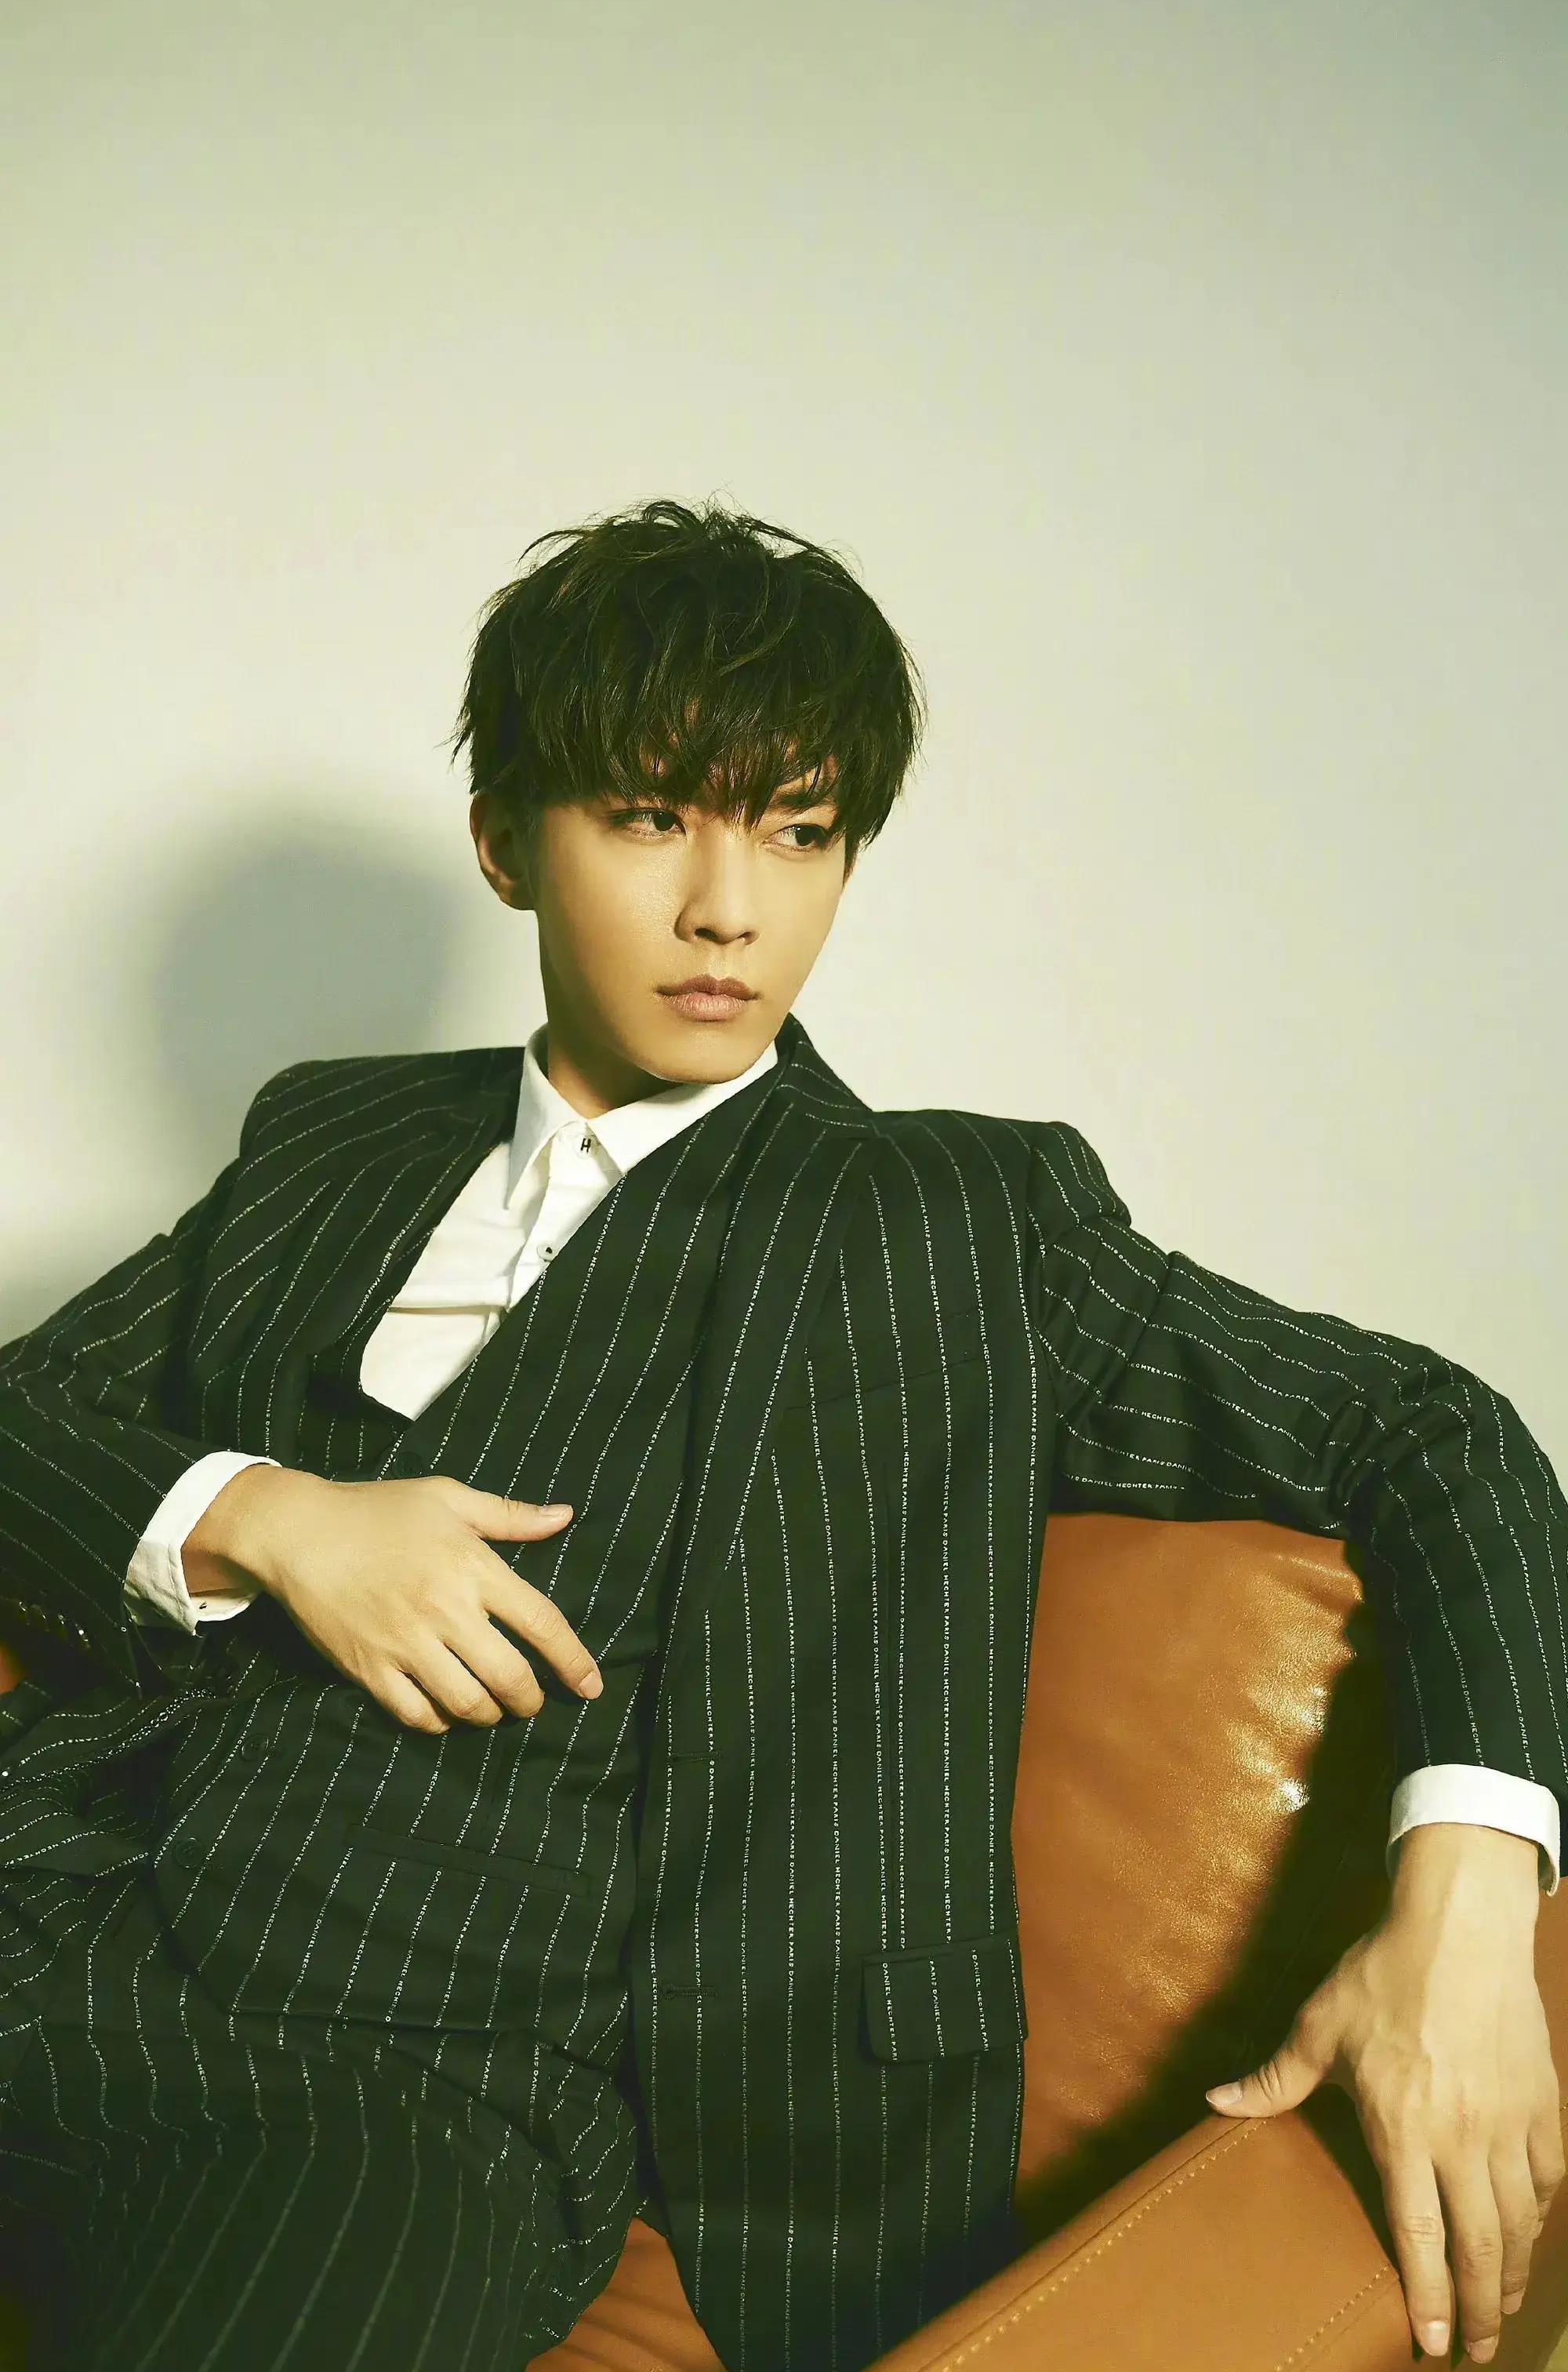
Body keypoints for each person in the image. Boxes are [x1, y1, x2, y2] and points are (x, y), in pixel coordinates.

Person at [0, 496, 1561, 2372]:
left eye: (798, 833)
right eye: (650, 818)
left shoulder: (951, 1228)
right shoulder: (335, 1139)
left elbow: (1431, 1434)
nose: (728, 908)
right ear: (504, 840)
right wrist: (266, 1514)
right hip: (59, 1917)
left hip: (408, 2095)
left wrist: (1468, 1902)